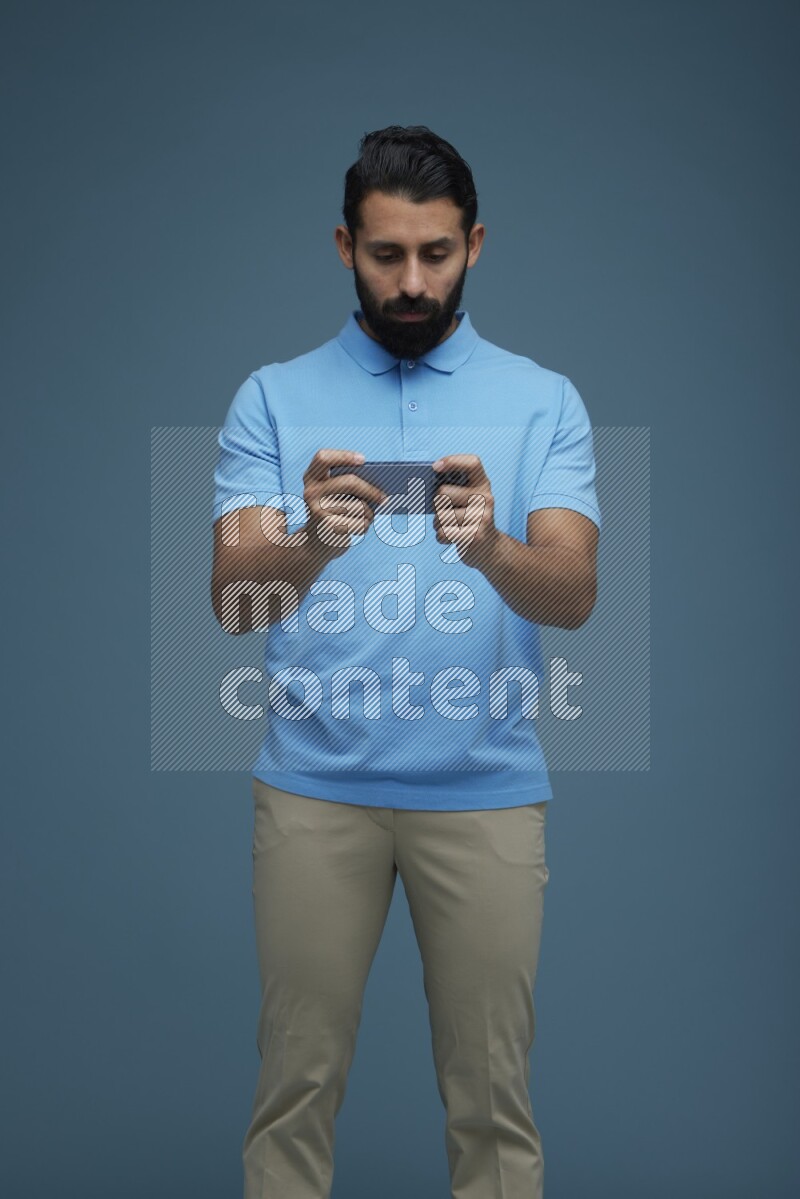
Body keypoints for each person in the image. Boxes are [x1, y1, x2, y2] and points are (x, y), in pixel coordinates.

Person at [211, 125, 601, 1199]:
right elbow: (233, 601)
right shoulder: (270, 397)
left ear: (474, 243)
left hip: (484, 790)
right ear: (346, 246)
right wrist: (310, 541)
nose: (414, 282)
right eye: (387, 254)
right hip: (313, 789)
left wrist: (491, 549)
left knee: (493, 1105)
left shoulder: (544, 400)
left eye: (436, 252)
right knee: (292, 1093)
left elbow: (572, 596)